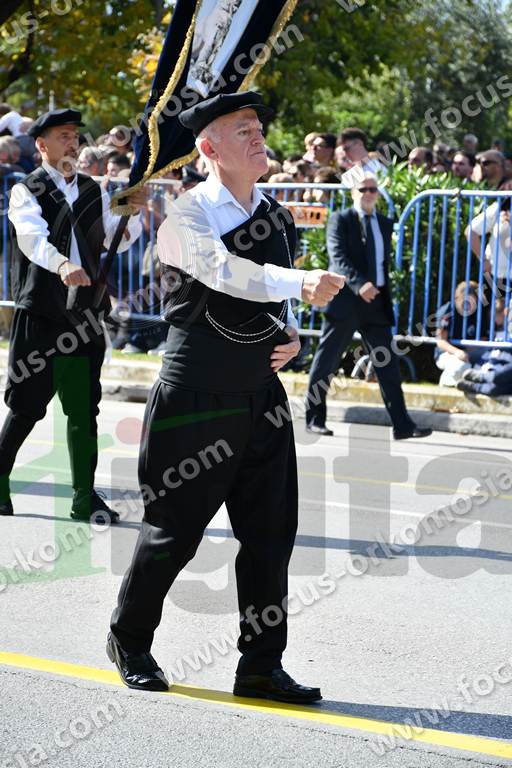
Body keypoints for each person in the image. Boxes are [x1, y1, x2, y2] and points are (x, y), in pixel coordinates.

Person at [108, 91, 344, 701]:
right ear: (209, 148)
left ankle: (261, 666)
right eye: (243, 130)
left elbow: (270, 299)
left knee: (270, 536)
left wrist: (290, 331)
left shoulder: (277, 215)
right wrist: (298, 283)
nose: (258, 136)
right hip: (197, 394)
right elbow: (222, 273)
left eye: (258, 126)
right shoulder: (185, 215)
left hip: (260, 395)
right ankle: (129, 639)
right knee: (174, 533)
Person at [1, 108, 144, 521]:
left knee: (83, 411)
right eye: (63, 136)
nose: (72, 143)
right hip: (42, 312)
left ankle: (84, 497)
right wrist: (62, 264)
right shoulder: (26, 190)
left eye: (75, 136)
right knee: (26, 407)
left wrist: (132, 214)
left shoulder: (92, 189)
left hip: (84, 316)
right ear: (41, 145)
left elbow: (117, 236)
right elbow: (32, 238)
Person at [305, 173, 431, 440]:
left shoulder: (384, 223)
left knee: (388, 364)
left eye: (373, 189)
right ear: (353, 192)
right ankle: (314, 418)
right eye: (363, 189)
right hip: (347, 302)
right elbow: (338, 257)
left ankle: (403, 425)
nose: (369, 193)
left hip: (375, 303)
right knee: (327, 361)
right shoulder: (341, 219)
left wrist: (378, 290)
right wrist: (359, 283)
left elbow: (382, 262)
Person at [434, 281, 488, 386]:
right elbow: (441, 341)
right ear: (457, 298)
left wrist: (471, 347)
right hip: (448, 353)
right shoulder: (448, 311)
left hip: (471, 352)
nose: (467, 306)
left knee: (489, 364)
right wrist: (457, 352)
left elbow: (484, 338)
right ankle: (447, 380)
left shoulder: (479, 313)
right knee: (462, 367)